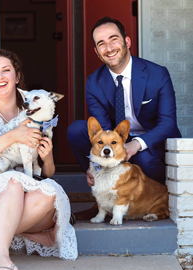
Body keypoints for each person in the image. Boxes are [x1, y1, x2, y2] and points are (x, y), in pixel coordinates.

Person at [0, 49, 78, 270]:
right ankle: (1, 255)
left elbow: (48, 174)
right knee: (13, 182)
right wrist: (13, 135)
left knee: (49, 194)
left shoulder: (38, 113)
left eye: (6, 70)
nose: (0, 76)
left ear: (17, 77)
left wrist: (48, 157)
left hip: (26, 195)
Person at [67, 17, 181, 218]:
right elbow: (102, 128)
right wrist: (93, 165)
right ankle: (104, 197)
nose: (109, 47)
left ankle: (142, 202)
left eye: (114, 39)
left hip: (149, 145)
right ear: (96, 51)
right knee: (76, 130)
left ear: (127, 42)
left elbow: (168, 124)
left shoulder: (157, 74)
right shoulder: (94, 82)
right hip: (115, 143)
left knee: (143, 160)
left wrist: (136, 144)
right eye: (101, 43)